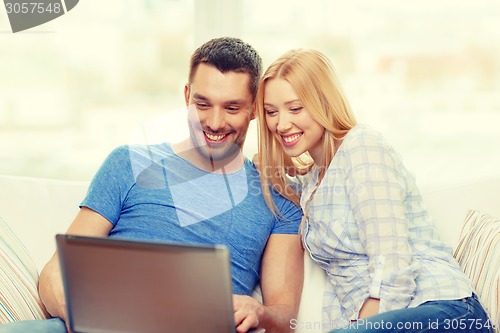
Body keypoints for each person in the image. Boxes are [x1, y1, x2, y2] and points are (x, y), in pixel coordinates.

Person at [0, 38, 303, 333]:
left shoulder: (278, 198)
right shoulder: (127, 163)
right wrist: (81, 315)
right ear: (187, 96)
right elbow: (55, 273)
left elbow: (285, 317)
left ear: (254, 109)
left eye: (232, 108)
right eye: (202, 103)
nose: (214, 122)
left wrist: (259, 312)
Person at [255, 49, 493, 333]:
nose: (281, 124)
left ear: (324, 103)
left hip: (440, 310)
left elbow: (393, 265)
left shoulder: (362, 146)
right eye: (271, 112)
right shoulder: (312, 185)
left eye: (295, 108)